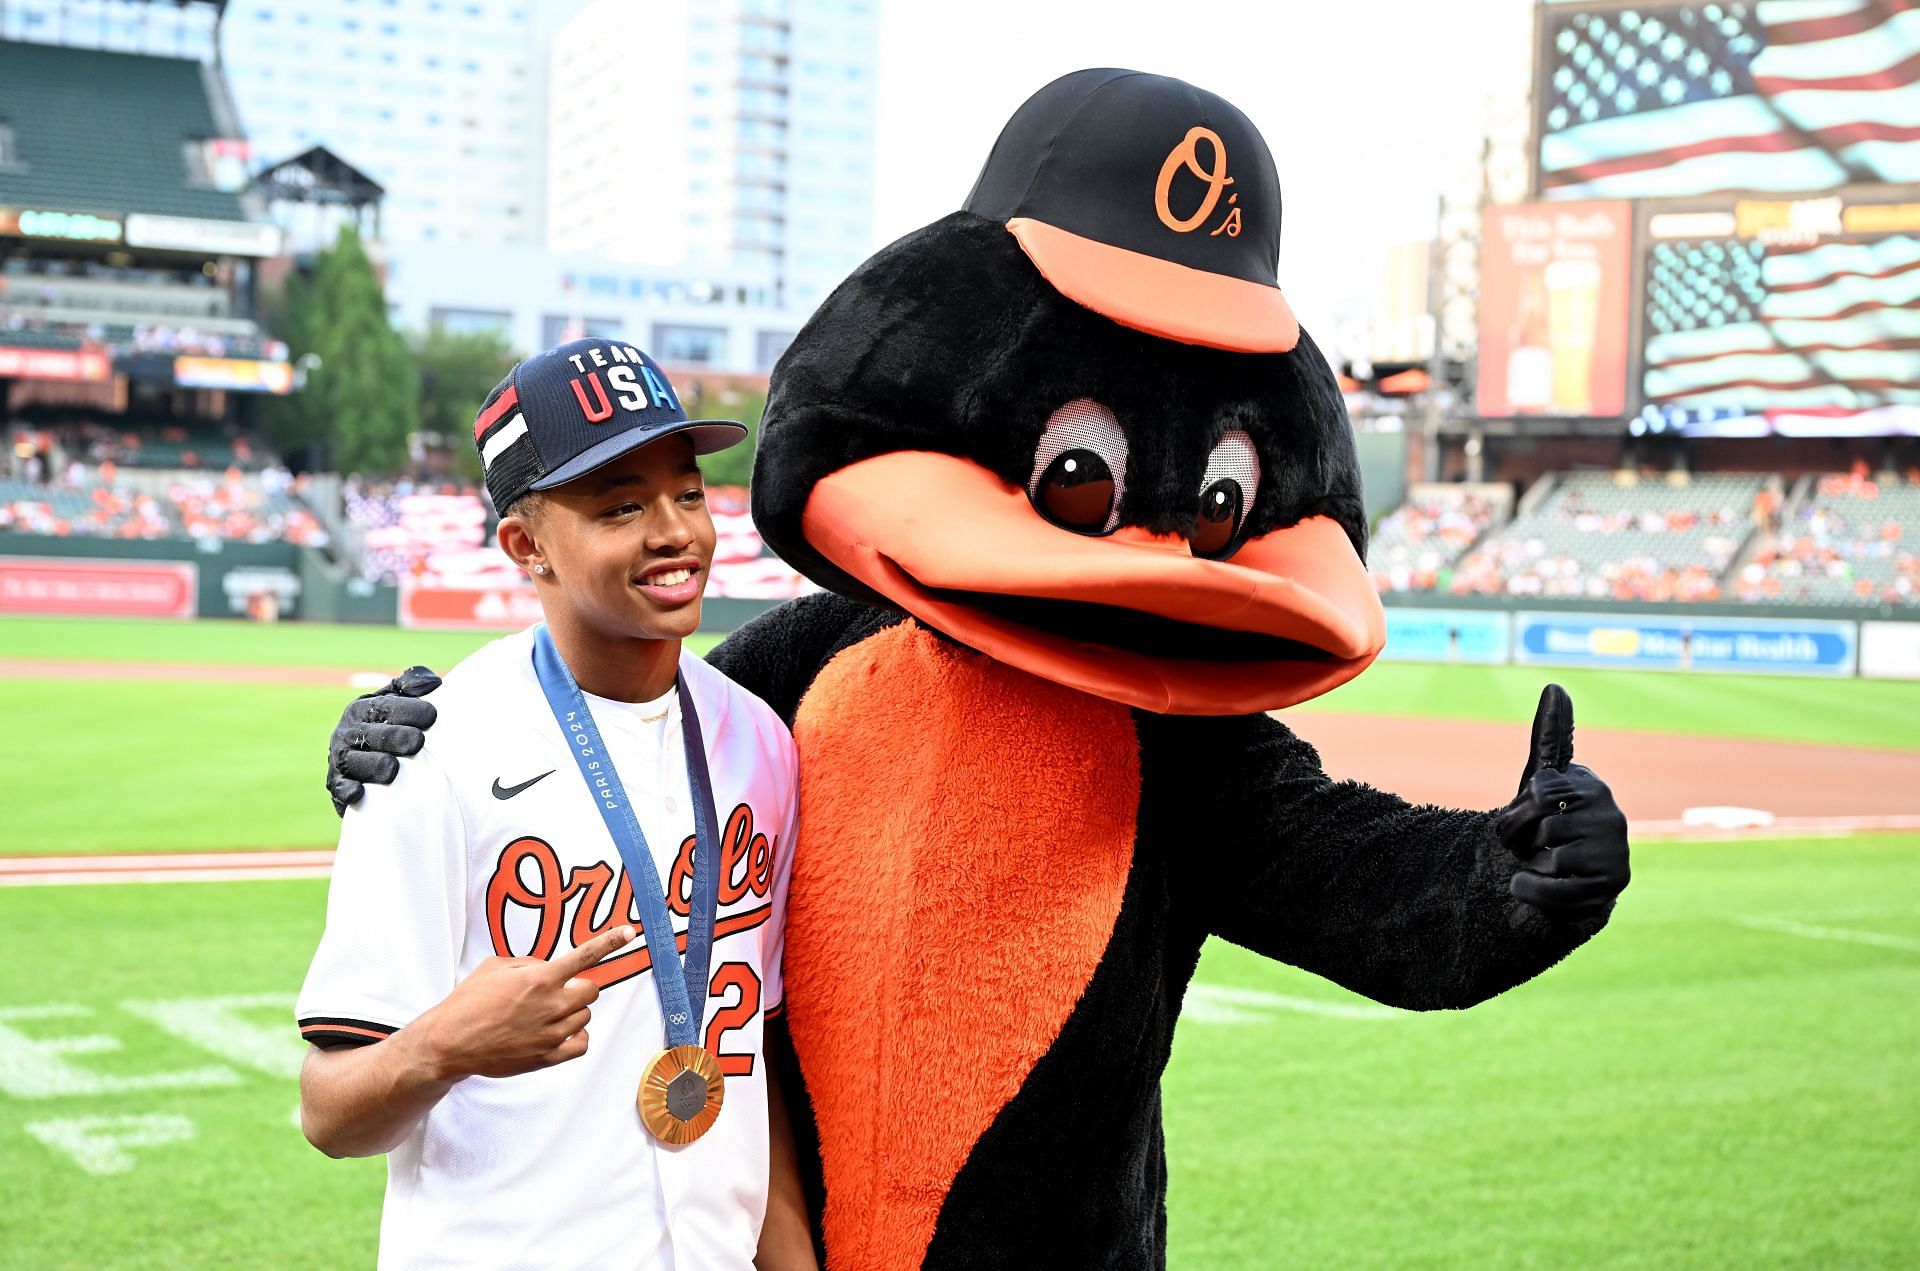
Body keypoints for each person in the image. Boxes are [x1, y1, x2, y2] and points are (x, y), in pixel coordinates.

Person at [297, 337, 815, 1270]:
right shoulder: (428, 752)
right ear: (525, 545)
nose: (675, 531)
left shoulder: (759, 743)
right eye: (621, 505)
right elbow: (330, 1110)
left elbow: (751, 1067)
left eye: (688, 491)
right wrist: (442, 1046)